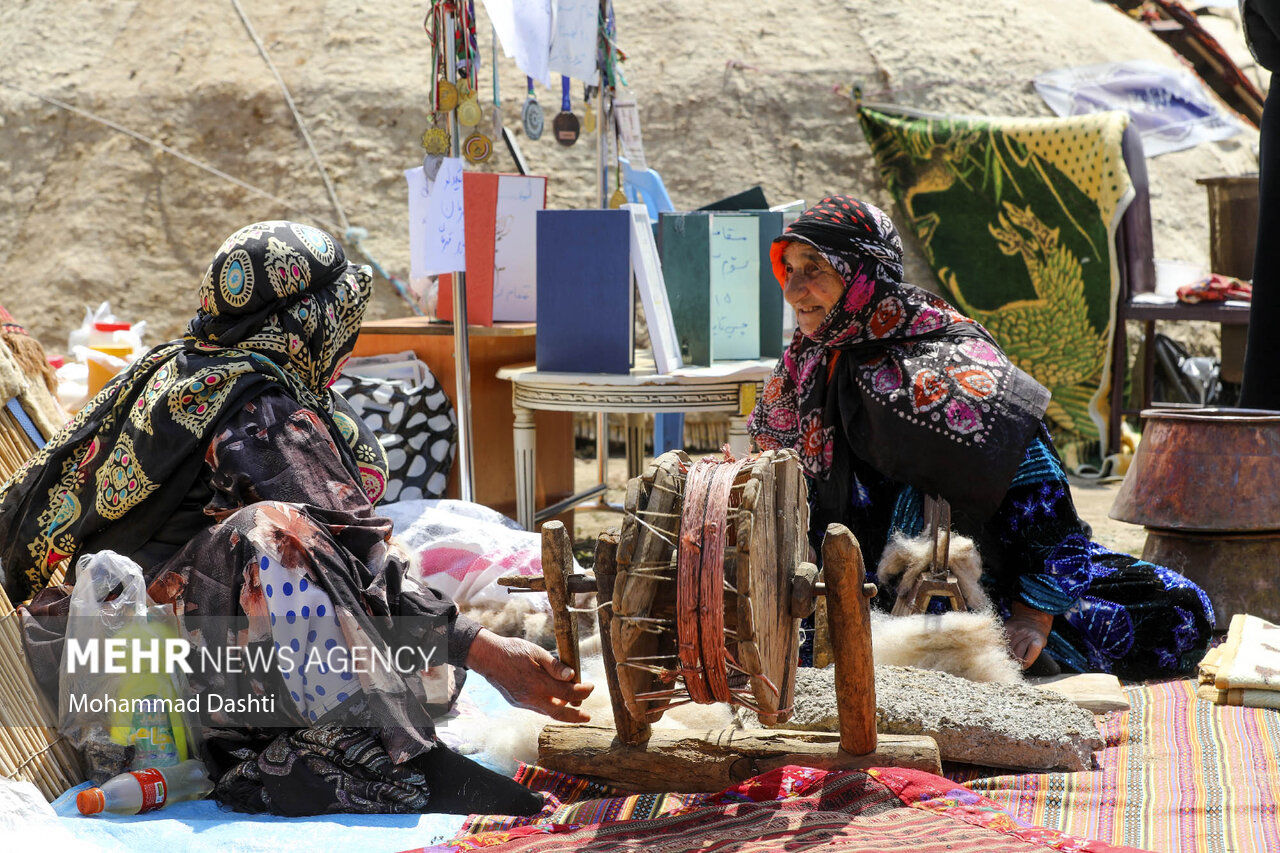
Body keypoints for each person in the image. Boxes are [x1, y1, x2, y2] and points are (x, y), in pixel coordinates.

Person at [0, 221, 591, 816]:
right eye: (340, 317)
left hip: (84, 659)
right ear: (307, 320)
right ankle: (367, 759)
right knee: (279, 537)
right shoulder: (259, 408)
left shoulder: (175, 371)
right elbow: (349, 557)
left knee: (417, 660)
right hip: (159, 684)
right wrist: (485, 650)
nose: (348, 340)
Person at [749, 196, 1214, 679]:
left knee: (1180, 608)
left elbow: (1034, 483)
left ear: (865, 272)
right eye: (790, 269)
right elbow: (769, 488)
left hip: (961, 579)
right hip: (836, 591)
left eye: (815, 268)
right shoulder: (802, 366)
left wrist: (1034, 614)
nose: (794, 290)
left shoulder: (943, 355)